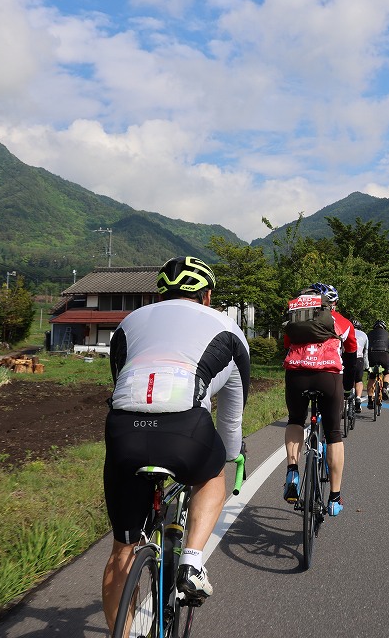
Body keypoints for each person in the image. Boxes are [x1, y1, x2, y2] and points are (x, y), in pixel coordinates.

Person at [101, 256, 250, 629]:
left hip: (123, 432)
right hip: (186, 429)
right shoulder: (228, 328)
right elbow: (231, 418)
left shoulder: (128, 322)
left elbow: (121, 383)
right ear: (208, 295)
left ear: (160, 293)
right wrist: (231, 456)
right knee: (213, 473)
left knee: (122, 549)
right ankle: (192, 562)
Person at [282, 282, 358, 517]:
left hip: (296, 376)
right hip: (328, 377)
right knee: (334, 434)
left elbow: (287, 345)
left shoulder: (298, 319)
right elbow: (352, 357)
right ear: (330, 304)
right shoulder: (341, 321)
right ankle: (334, 497)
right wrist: (346, 390)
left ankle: (292, 470)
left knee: (295, 420)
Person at [366, 319, 389, 404]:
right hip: (384, 355)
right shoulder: (388, 335)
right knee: (387, 373)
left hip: (372, 355)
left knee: (372, 377)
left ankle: (370, 399)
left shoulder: (369, 334)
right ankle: (385, 388)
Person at [347, 319, 368, 414]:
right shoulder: (364, 335)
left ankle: (345, 403)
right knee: (358, 380)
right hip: (359, 359)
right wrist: (366, 366)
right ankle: (358, 398)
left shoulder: (346, 331)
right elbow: (365, 352)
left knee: (346, 380)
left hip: (347, 357)